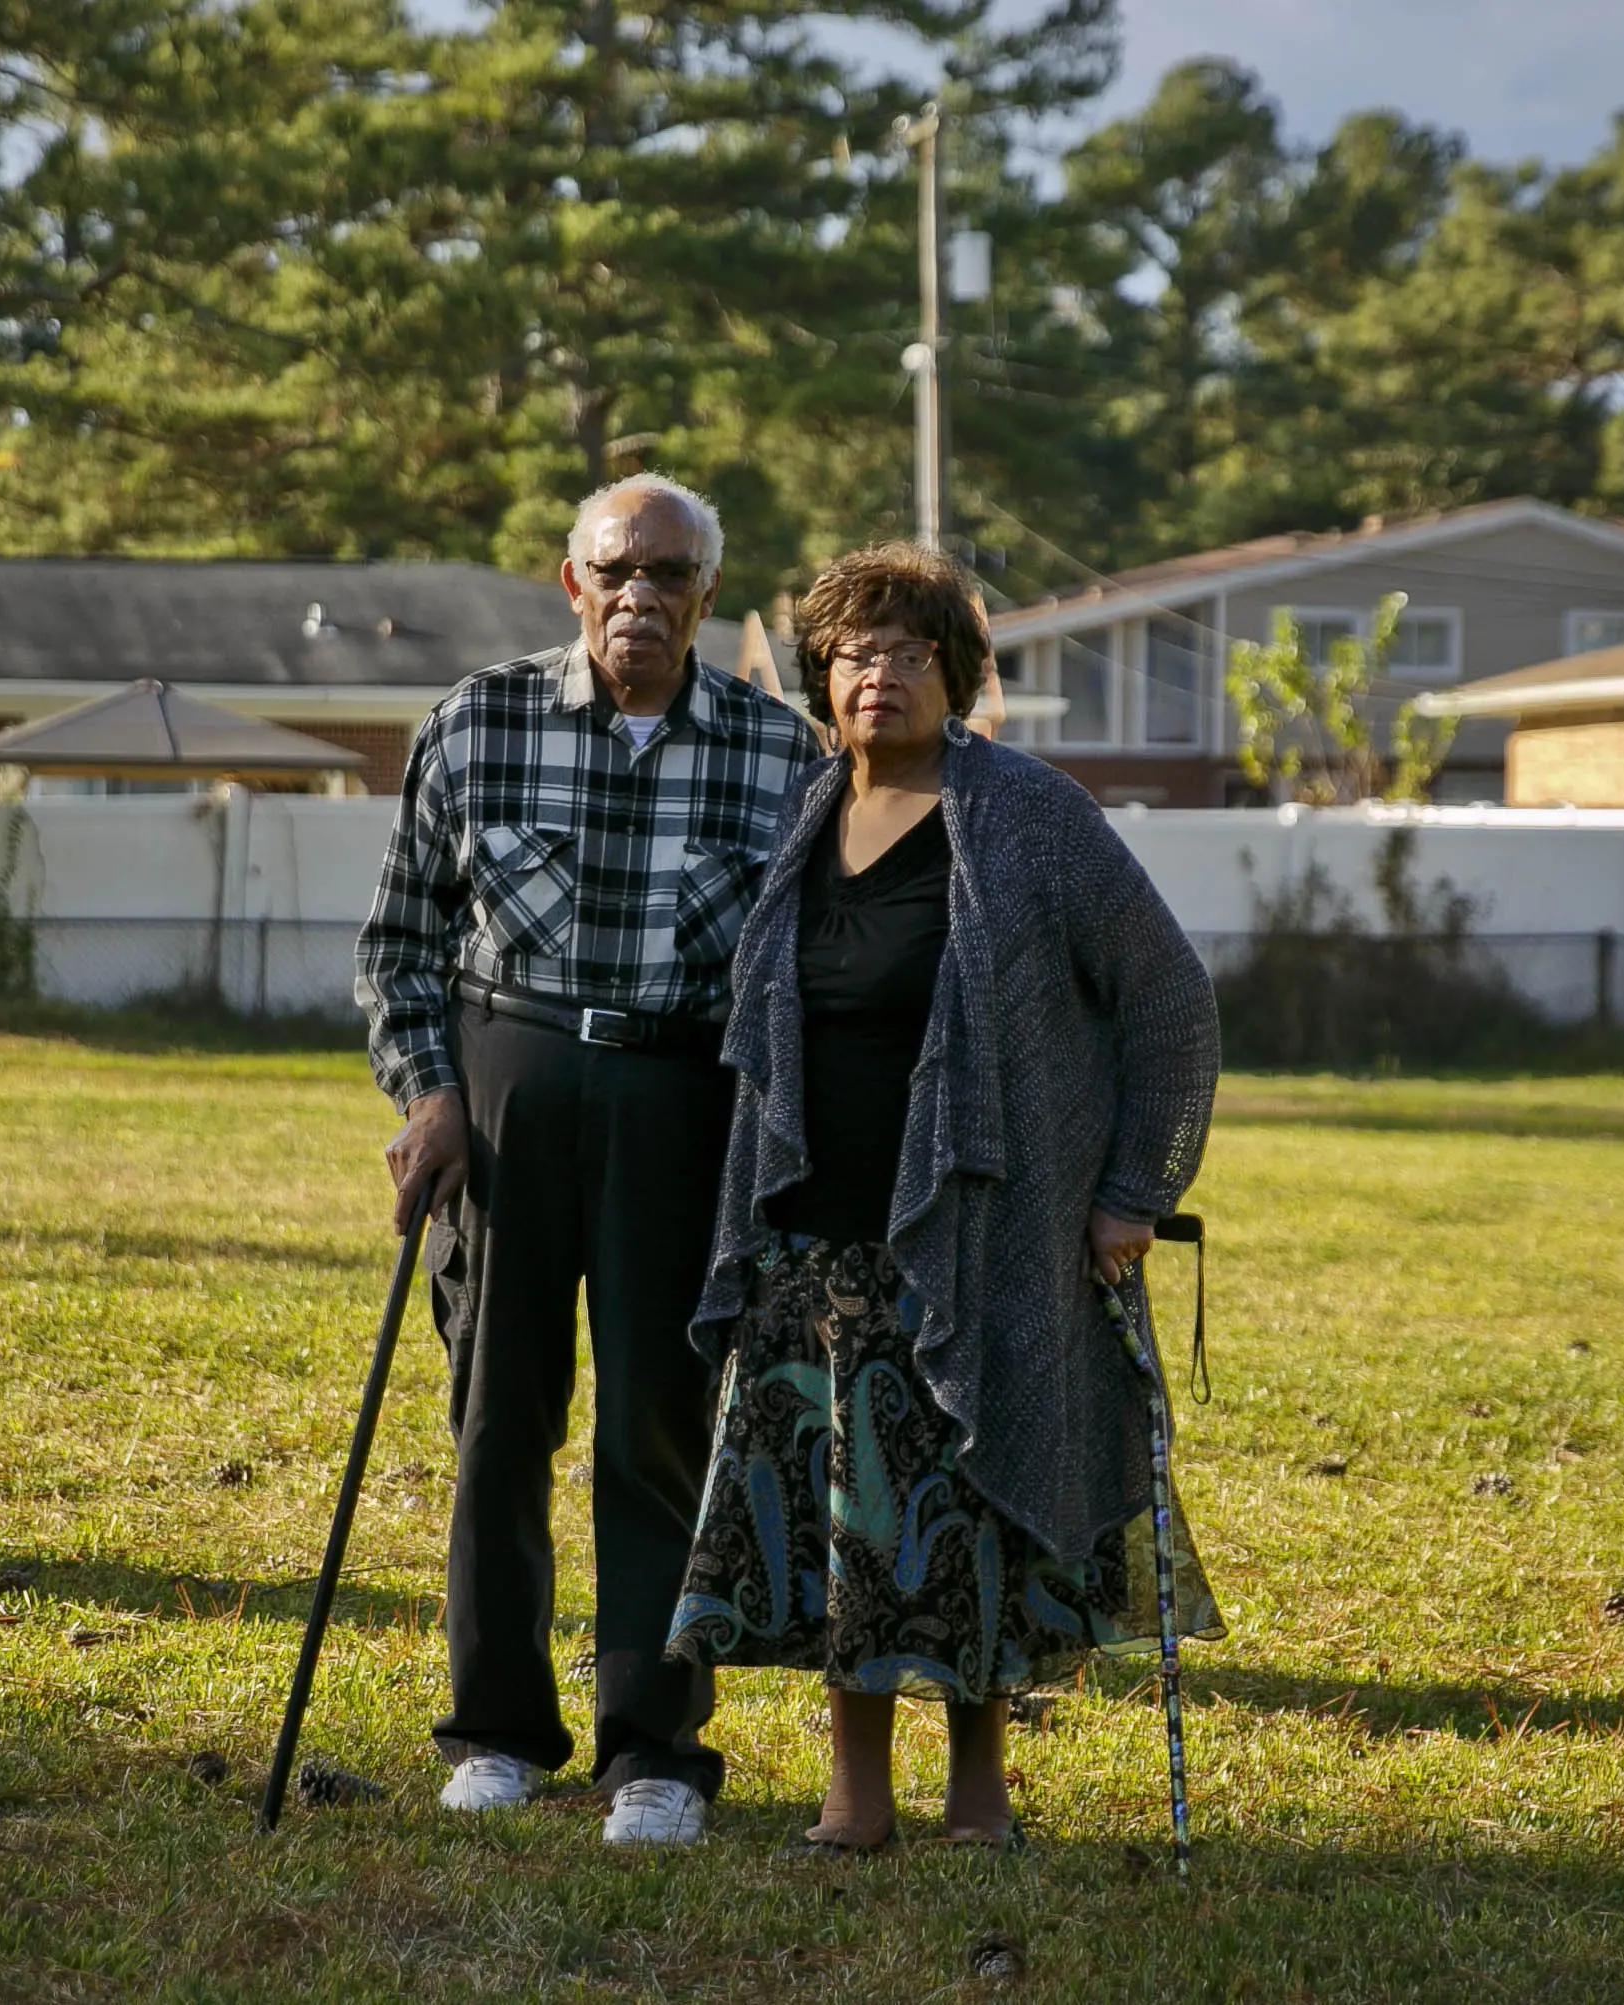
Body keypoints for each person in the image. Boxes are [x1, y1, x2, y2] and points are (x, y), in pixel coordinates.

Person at [664, 542, 1223, 1853]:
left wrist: (1134, 1188)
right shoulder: (805, 818)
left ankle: (980, 1799)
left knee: (969, 1506)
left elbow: (1170, 999)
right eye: (855, 653)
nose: (880, 675)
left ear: (959, 676)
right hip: (814, 1248)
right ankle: (853, 1804)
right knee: (838, 1530)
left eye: (911, 652)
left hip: (978, 1242)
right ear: (822, 679)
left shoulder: (1028, 816)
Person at [353, 473, 816, 1847]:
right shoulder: (476, 724)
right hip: (507, 1096)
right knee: (500, 1419)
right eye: (616, 571)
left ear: (706, 597)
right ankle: (496, 1730)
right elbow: (399, 945)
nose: (640, 597)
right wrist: (429, 1092)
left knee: (658, 1431)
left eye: (669, 574)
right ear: (573, 583)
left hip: (684, 1105)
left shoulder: (777, 752)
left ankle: (654, 1751)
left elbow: (798, 976)